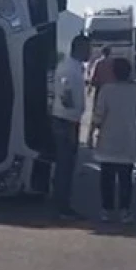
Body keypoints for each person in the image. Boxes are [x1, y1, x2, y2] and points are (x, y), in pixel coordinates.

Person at [91, 56, 136, 223]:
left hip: (108, 141)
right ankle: (125, 210)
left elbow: (98, 116)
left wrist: (90, 135)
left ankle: (107, 209)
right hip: (127, 140)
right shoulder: (135, 91)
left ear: (113, 72)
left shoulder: (106, 90)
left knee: (107, 178)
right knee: (126, 178)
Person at [51, 34, 91, 219]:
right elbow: (65, 92)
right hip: (66, 121)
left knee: (66, 164)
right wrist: (72, 113)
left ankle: (62, 203)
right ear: (79, 48)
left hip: (67, 120)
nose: (90, 52)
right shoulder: (69, 68)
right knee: (65, 165)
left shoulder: (74, 66)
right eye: (87, 49)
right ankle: (62, 207)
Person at [84, 45, 115, 145]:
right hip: (111, 92)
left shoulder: (98, 63)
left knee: (96, 114)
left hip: (100, 90)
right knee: (109, 115)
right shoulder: (113, 63)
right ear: (109, 52)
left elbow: (93, 78)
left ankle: (90, 138)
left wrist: (89, 88)